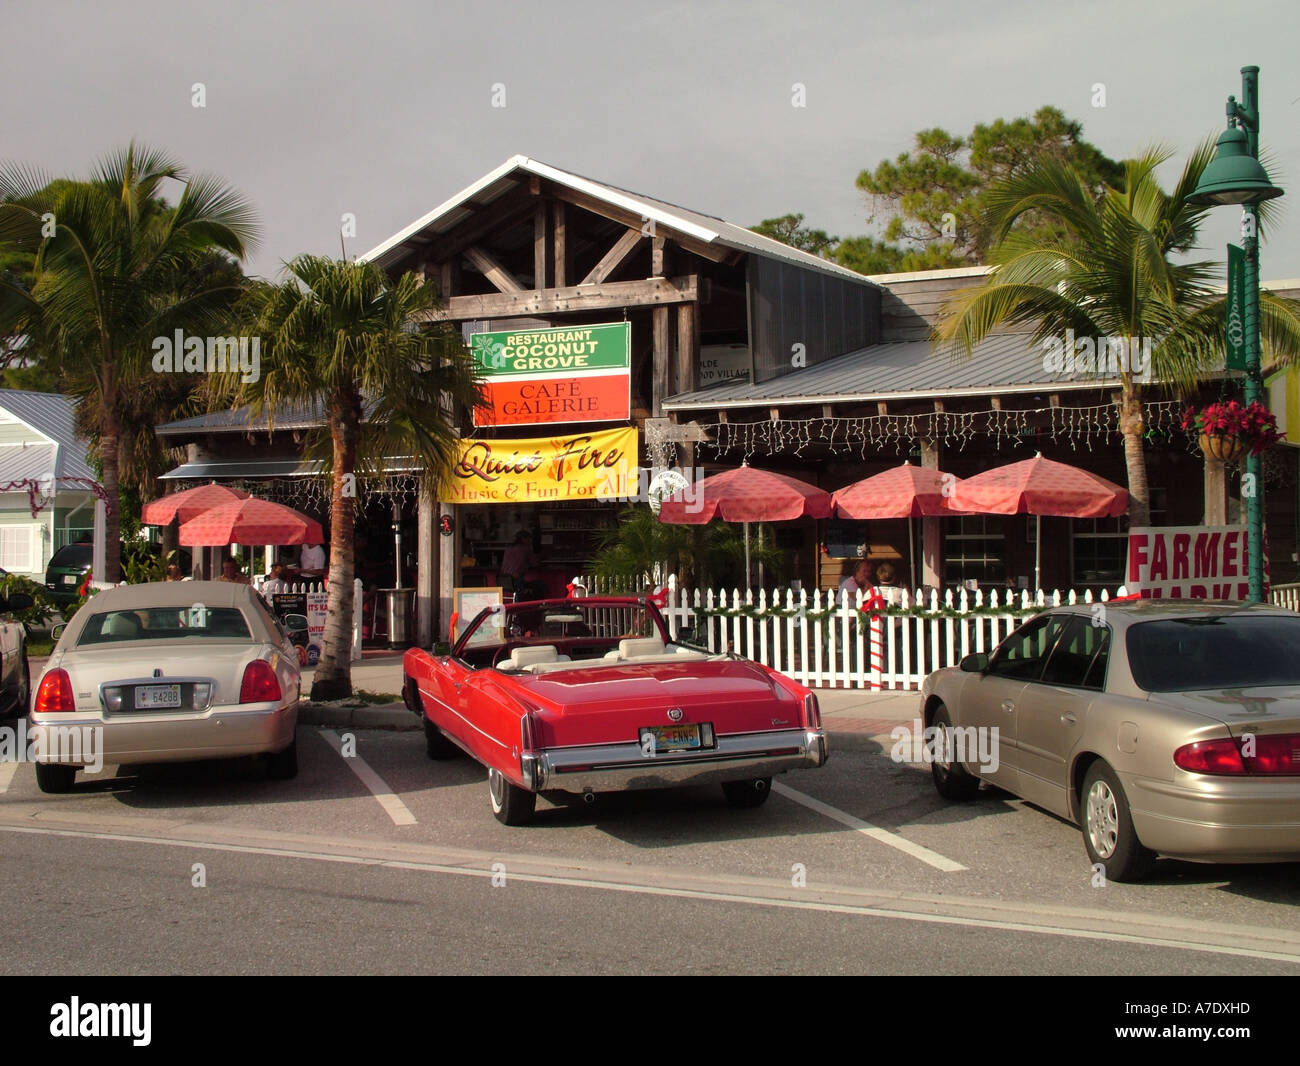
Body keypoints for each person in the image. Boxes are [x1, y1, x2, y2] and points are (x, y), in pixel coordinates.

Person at [499, 530, 538, 596]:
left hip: (503, 580)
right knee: (540, 585)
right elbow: (535, 564)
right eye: (528, 539)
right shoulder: (526, 549)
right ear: (523, 539)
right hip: (516, 580)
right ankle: (536, 604)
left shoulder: (508, 548)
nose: (530, 541)